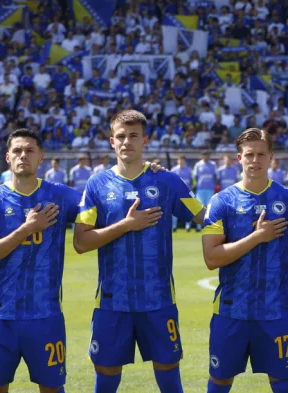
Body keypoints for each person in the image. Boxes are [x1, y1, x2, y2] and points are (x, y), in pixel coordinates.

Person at [73, 110, 206, 393]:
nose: (126, 142)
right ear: (112, 141)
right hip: (112, 300)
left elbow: (204, 217)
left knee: (169, 370)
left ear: (145, 140)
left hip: (157, 299)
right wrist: (126, 225)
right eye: (120, 136)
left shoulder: (167, 181)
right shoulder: (97, 185)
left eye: (134, 136)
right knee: (106, 371)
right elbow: (81, 242)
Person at [0, 129, 81, 393]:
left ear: (41, 157)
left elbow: (103, 205)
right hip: (0, 314)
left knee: (52, 388)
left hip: (45, 314)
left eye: (30, 150)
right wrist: (26, 228)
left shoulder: (61, 196)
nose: (24, 155)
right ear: (8, 158)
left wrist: (147, 169)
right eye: (18, 151)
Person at [202, 128, 288, 393]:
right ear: (239, 157)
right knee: (221, 379)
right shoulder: (221, 201)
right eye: (249, 154)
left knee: (282, 379)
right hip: (230, 311)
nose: (255, 160)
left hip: (276, 311)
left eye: (261, 154)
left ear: (271, 157)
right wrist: (258, 237)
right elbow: (212, 258)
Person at [172, 157, 195, 231]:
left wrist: (191, 190)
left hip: (187, 193)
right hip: (176, 193)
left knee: (188, 210)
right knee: (174, 210)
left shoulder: (189, 170)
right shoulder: (174, 170)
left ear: (185, 161)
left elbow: (193, 181)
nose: (181, 161)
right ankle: (174, 227)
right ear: (177, 161)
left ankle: (188, 227)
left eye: (182, 160)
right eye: (180, 160)